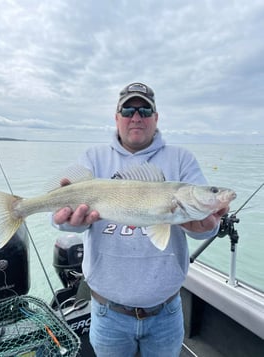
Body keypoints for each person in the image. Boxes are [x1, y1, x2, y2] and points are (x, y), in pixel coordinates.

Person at [52, 82, 228, 357]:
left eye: (145, 110)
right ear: (117, 117)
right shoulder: (93, 158)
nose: (137, 117)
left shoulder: (181, 159)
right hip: (107, 313)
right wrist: (68, 221)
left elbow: (203, 228)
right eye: (128, 110)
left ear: (156, 118)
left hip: (166, 314)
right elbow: (61, 220)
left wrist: (207, 227)